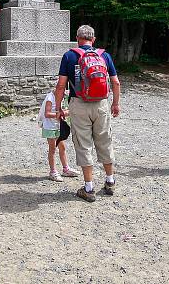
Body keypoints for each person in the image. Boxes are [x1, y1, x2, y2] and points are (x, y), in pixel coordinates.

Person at [53, 25, 121, 203]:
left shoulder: (69, 55)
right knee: (104, 140)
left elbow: (61, 85)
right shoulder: (103, 55)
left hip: (79, 104)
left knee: (83, 144)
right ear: (94, 39)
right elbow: (116, 82)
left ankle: (89, 188)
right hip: (101, 104)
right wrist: (115, 104)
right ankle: (110, 181)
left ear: (77, 38)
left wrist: (59, 106)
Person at [38, 90, 79, 181]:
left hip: (58, 126)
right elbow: (47, 114)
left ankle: (66, 169)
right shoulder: (50, 98)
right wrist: (62, 114)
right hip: (50, 127)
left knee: (62, 147)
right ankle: (53, 172)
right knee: (52, 149)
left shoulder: (62, 96)